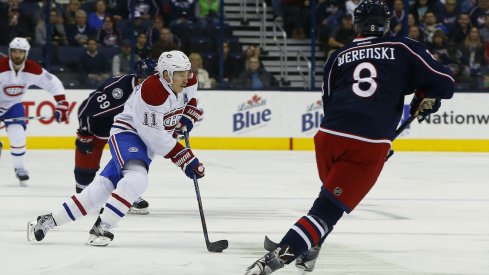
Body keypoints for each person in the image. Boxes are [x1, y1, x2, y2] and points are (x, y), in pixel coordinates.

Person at [245, 1, 455, 274]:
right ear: (387, 24)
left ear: (356, 25)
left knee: (330, 198)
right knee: (326, 211)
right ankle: (274, 260)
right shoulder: (402, 47)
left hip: (328, 137)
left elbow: (330, 101)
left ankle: (310, 248)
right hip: (367, 143)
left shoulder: (338, 55)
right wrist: (423, 96)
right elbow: (445, 83)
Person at [27, 50, 205, 246]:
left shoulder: (189, 80)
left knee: (101, 189)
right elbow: (154, 137)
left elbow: (190, 101)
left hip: (146, 139)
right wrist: (186, 158)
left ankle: (49, 220)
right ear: (165, 75)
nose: (186, 78)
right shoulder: (152, 91)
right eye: (180, 74)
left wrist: (186, 119)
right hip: (129, 134)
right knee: (137, 179)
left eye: (187, 72)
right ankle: (103, 226)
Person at [75, 58, 157, 215]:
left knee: (131, 160)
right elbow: (88, 107)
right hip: (100, 128)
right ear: (139, 76)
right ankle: (84, 192)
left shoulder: (155, 92)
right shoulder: (119, 88)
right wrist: (84, 132)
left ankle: (129, 192)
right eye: (148, 77)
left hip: (127, 131)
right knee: (84, 175)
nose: (153, 82)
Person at [0, 37, 69, 186]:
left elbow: (54, 84)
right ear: (10, 52)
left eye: (21, 52)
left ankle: (20, 169)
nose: (17, 55)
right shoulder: (1, 67)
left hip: (13, 105)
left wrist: (62, 103)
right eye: (15, 52)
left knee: (18, 135)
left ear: (26, 53)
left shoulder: (33, 69)